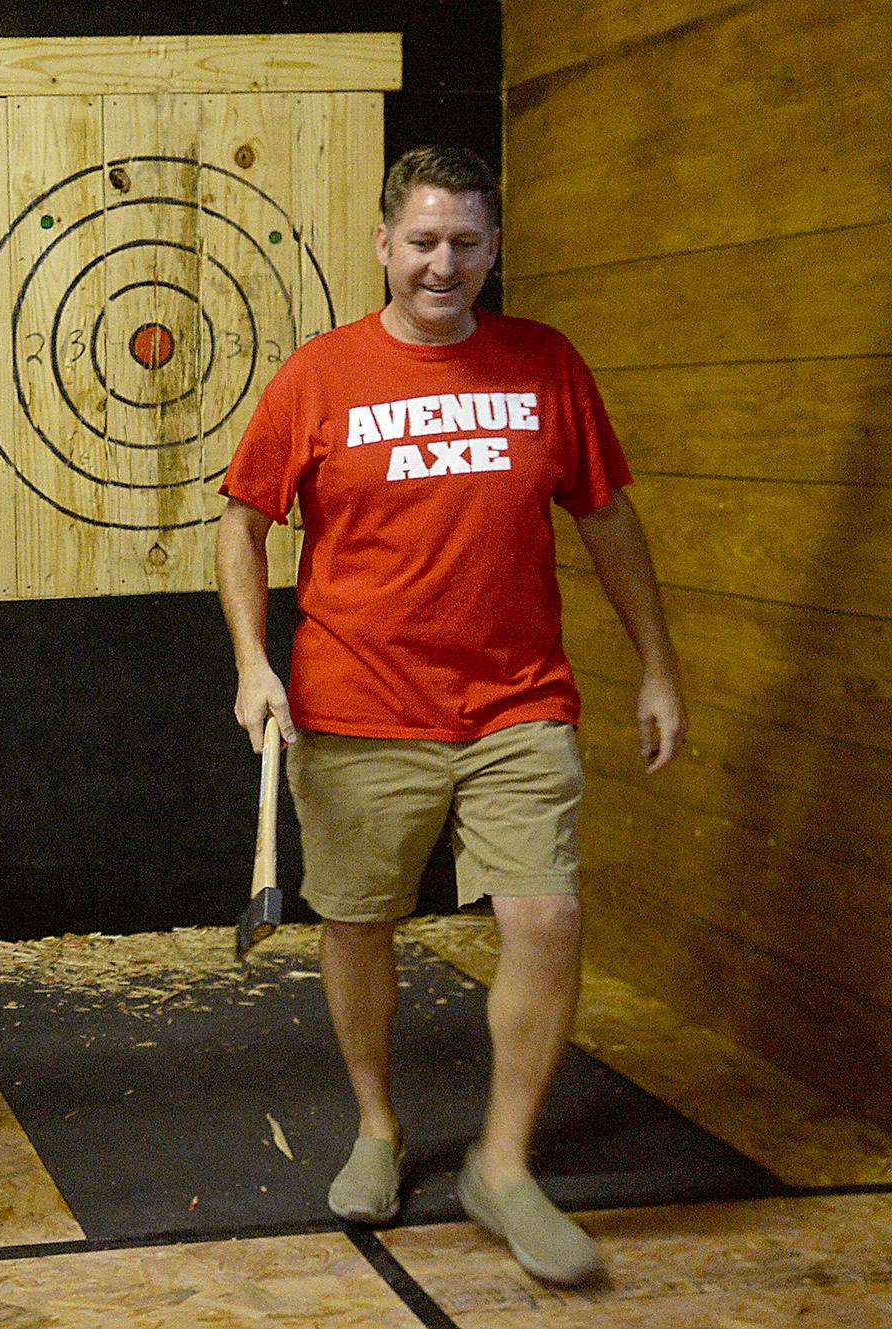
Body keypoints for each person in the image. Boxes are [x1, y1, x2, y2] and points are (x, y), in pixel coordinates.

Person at [214, 146, 685, 1284]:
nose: (441, 264)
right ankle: (377, 1127)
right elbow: (241, 520)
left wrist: (657, 667)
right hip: (359, 702)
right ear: (382, 245)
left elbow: (607, 517)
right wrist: (250, 661)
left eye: (464, 243)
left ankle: (504, 1165)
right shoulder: (316, 377)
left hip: (518, 703)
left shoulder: (543, 366)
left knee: (545, 921)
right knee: (358, 922)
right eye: (421, 241)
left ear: (491, 250)